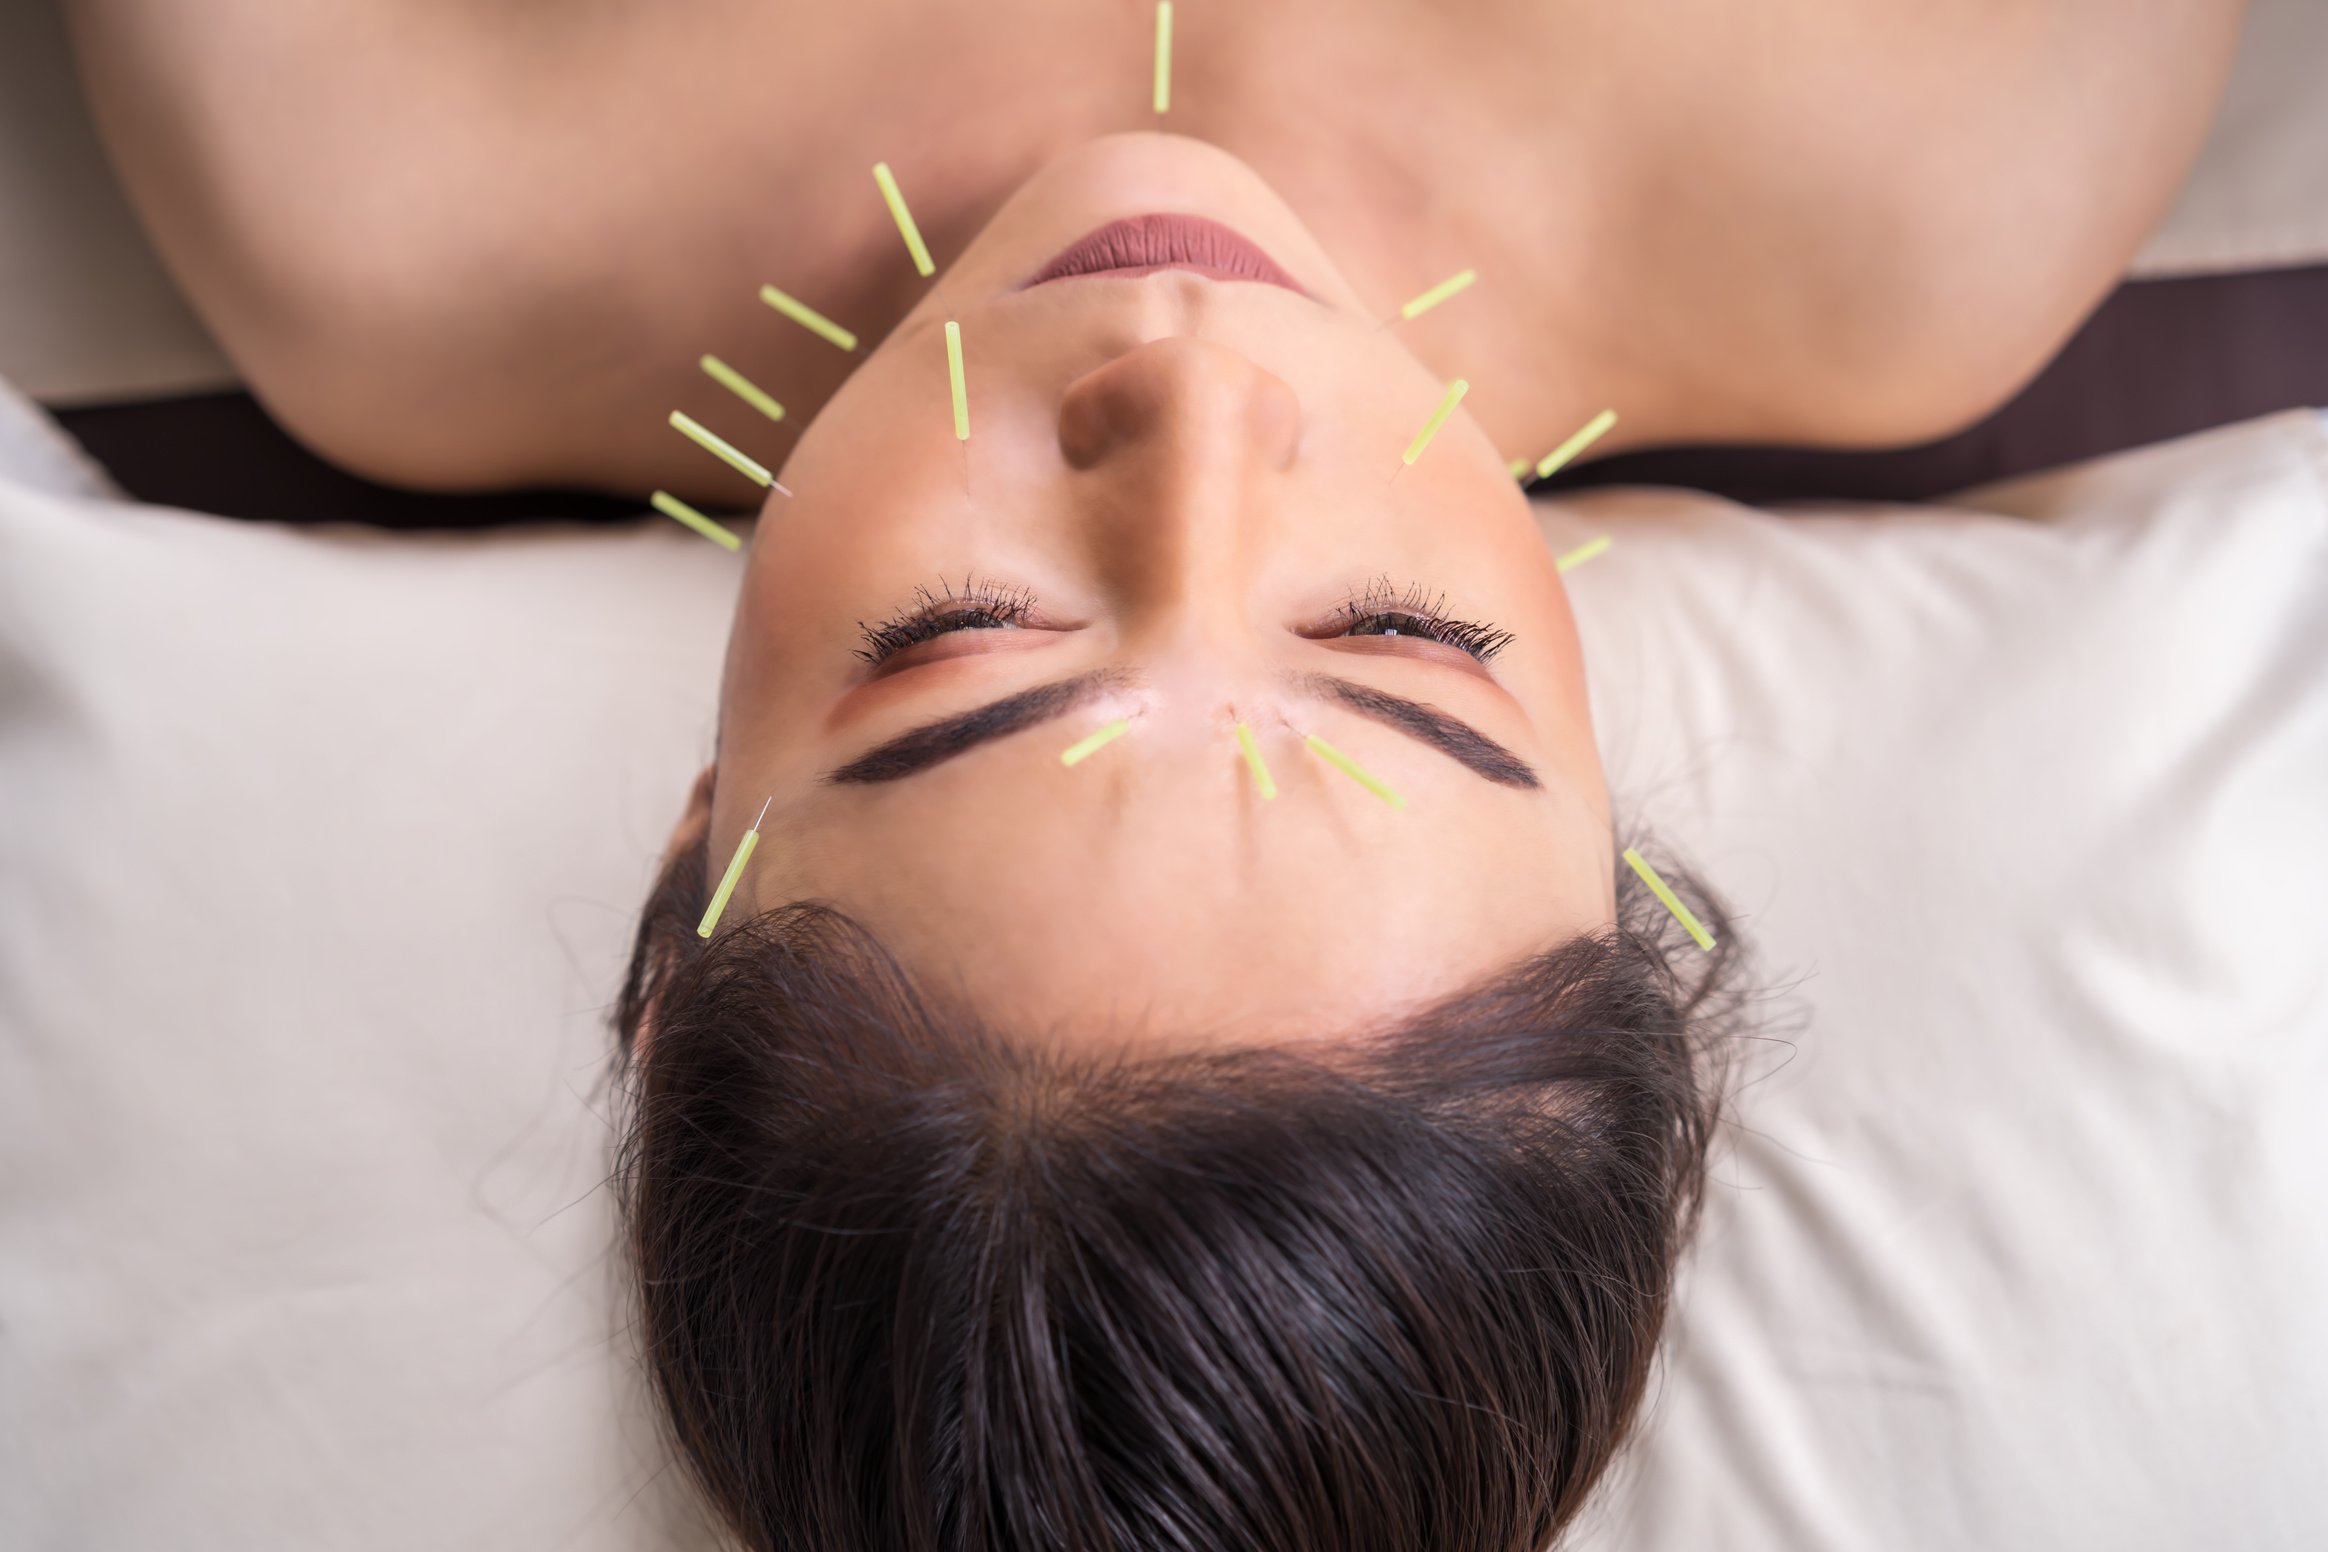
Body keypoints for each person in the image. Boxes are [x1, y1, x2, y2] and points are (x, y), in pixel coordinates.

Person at [64, 3, 2243, 1547]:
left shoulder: (389, 184)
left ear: (696, 848)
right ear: (1624, 836)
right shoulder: (1941, 166)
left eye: (955, 643)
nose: (1198, 419)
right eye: (1406, 642)